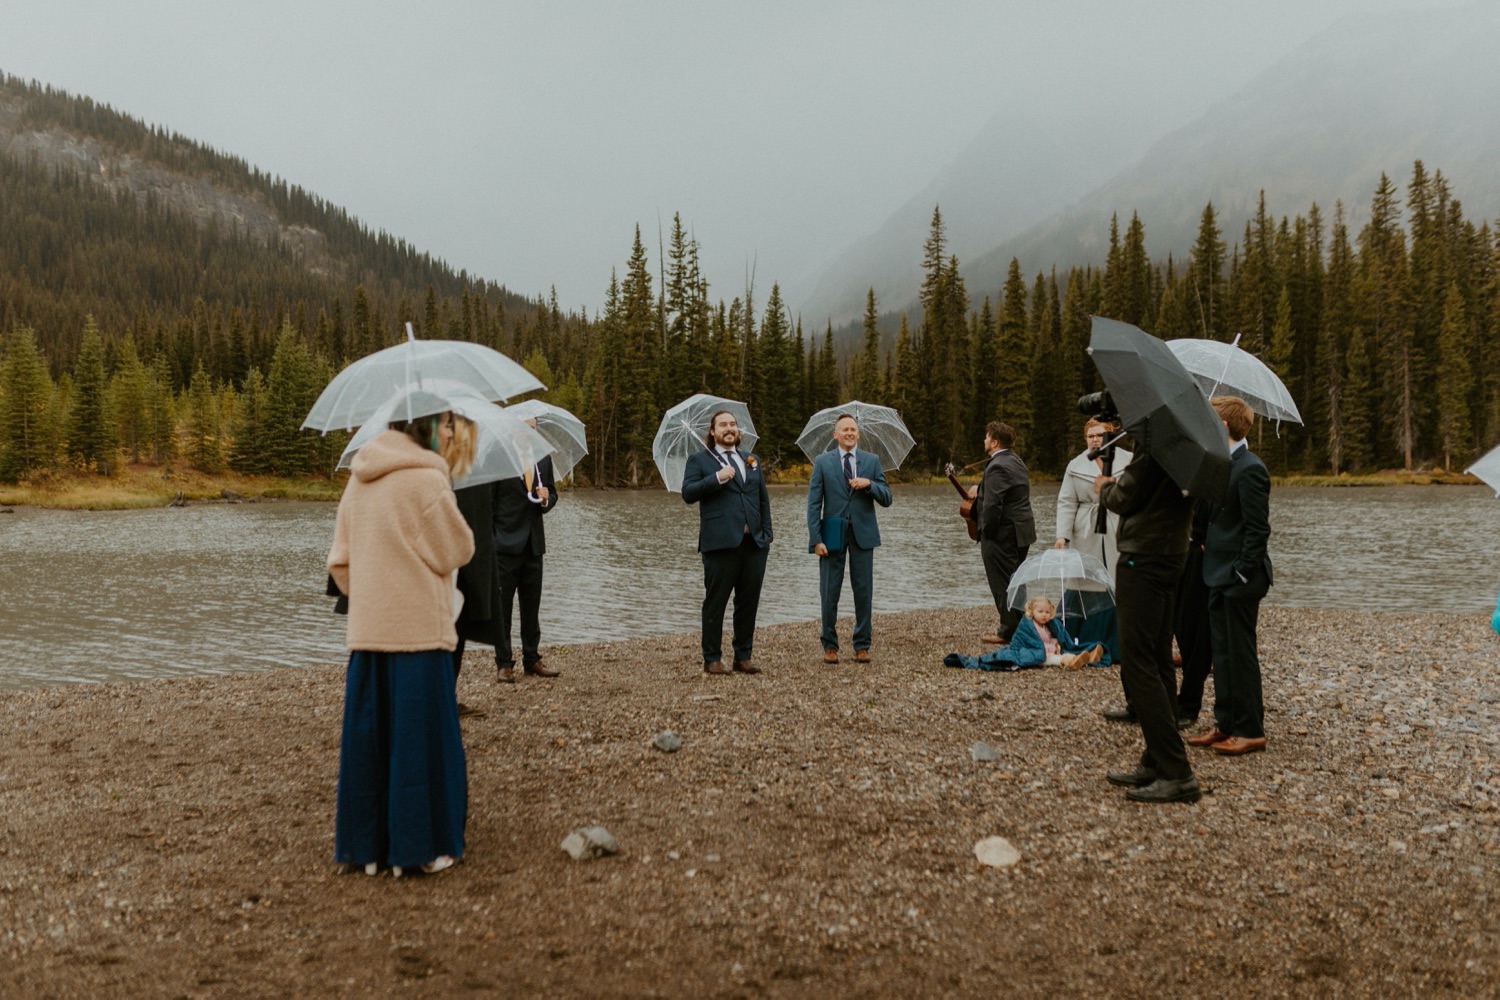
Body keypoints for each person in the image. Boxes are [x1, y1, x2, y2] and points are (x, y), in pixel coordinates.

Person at [327, 396, 475, 876]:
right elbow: (458, 549)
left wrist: (374, 595)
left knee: (370, 742)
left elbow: (340, 564)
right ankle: (421, 849)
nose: (452, 434)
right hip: (419, 634)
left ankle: (366, 849)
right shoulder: (428, 478)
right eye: (447, 424)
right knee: (421, 743)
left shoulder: (360, 475)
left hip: (368, 634)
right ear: (427, 426)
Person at [1096, 445, 1200, 804]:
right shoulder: (1188, 442)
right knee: (1156, 656)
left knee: (1138, 660)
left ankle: (1177, 771)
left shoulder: (1157, 442)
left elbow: (1126, 496)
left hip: (1145, 555)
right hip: (1173, 551)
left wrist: (1105, 486)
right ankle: (1156, 759)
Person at [1187, 396, 1273, 756]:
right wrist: (1202, 539)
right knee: (1220, 654)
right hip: (1214, 572)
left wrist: (1240, 571)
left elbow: (1258, 529)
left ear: (1222, 426)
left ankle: (1250, 729)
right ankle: (1225, 723)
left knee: (1240, 654)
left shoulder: (1251, 468)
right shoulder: (1220, 463)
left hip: (1239, 578)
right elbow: (1209, 513)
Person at [681, 409, 773, 675]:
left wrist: (767, 534)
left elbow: (762, 498)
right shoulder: (699, 461)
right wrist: (717, 478)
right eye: (723, 425)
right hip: (719, 543)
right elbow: (688, 493)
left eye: (733, 424)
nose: (729, 428)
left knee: (748, 602)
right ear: (713, 432)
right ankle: (712, 658)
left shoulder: (751, 459)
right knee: (716, 602)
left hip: (754, 543)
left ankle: (743, 656)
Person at [807, 413, 893, 663]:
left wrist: (870, 484)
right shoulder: (822, 462)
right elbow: (813, 504)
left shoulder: (872, 461)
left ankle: (862, 644)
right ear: (836, 434)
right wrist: (816, 539)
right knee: (829, 591)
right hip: (832, 535)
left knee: (864, 591)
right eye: (845, 429)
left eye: (853, 429)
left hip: (863, 535)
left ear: (858, 433)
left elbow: (887, 497)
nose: (850, 433)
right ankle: (830, 645)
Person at [1055, 418, 1130, 668]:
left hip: (1118, 525)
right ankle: (1083, 642)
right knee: (1085, 581)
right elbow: (1066, 501)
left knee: (1119, 581)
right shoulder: (1076, 465)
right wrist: (1062, 536)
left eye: (1099, 435)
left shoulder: (1128, 460)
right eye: (1090, 436)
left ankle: (1119, 646)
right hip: (1085, 528)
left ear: (1111, 436)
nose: (1095, 440)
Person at [490, 421, 559, 683]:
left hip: (534, 544)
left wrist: (545, 498)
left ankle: (532, 659)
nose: (529, 432)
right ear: (513, 430)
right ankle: (504, 663)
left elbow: (552, 494)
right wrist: (492, 539)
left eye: (533, 428)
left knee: (532, 606)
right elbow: (490, 502)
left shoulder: (543, 460)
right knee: (503, 607)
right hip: (504, 545)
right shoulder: (499, 460)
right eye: (524, 427)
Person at [443, 415, 497, 713]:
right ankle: (444, 697)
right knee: (452, 637)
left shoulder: (471, 472)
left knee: (455, 637)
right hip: (457, 570)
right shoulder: (456, 473)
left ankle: (446, 695)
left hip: (461, 570)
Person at [973, 421, 1037, 646]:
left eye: (986, 437)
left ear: (995, 441)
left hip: (1003, 534)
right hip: (1022, 532)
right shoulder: (1016, 461)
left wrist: (986, 532)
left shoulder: (998, 465)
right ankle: (1021, 627)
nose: (984, 440)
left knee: (1002, 583)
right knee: (1016, 580)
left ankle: (1008, 631)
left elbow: (993, 506)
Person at [943, 595, 1105, 671]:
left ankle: (1087, 657)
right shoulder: (1027, 625)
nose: (1044, 615)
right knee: (1058, 659)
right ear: (1031, 611)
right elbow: (1023, 643)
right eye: (1040, 611)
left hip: (1049, 650)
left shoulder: (1050, 624)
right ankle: (1074, 661)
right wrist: (1046, 648)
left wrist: (1057, 639)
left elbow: (1055, 637)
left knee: (1065, 650)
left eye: (1047, 612)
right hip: (1042, 656)